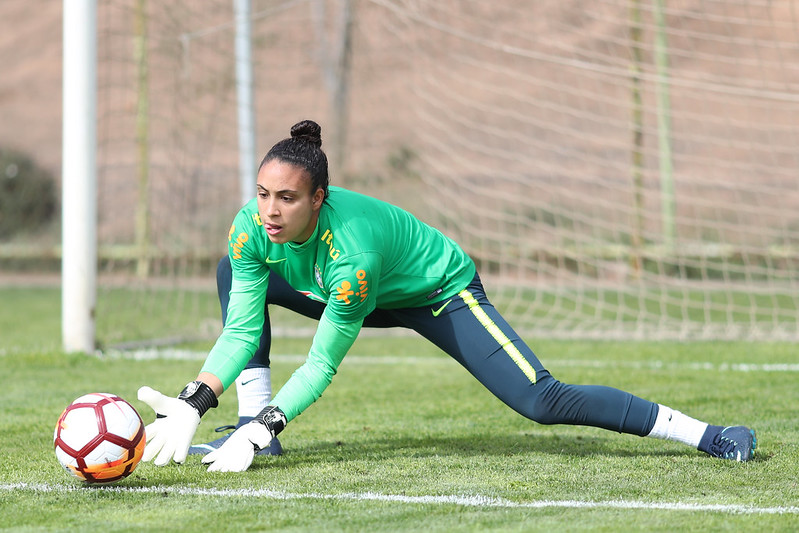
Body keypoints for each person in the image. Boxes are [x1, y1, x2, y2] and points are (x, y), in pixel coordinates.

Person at [137, 119, 757, 473]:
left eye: (288, 198)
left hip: (436, 292)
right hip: (345, 291)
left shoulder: (352, 255)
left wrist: (272, 419)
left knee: (541, 399)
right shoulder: (251, 226)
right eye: (263, 193)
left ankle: (711, 434)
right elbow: (242, 330)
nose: (270, 210)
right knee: (231, 271)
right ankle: (253, 427)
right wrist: (196, 400)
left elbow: (323, 362)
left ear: (319, 198)